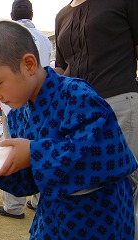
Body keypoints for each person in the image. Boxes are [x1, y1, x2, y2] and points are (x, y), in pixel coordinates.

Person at [0, 20, 138, 239]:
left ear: (29, 65)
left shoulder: (77, 94)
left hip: (100, 219)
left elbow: (105, 157)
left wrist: (33, 152)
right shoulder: (19, 115)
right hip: (53, 220)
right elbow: (29, 180)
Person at [55, 0, 138, 235]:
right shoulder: (62, 14)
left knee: (123, 185)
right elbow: (62, 68)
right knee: (89, 189)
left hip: (119, 101)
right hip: (78, 114)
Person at [0, 0, 53, 219]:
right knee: (38, 148)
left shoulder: (6, 36)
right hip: (43, 103)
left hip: (14, 105)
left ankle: (13, 206)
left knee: (12, 151)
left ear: (11, 15)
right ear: (32, 14)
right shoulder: (45, 40)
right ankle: (37, 200)